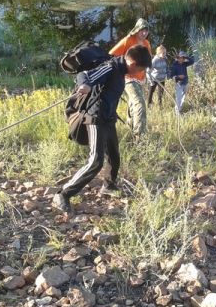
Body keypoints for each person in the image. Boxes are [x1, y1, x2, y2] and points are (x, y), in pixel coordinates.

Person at [53, 45, 152, 216]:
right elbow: (84, 75)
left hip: (108, 119)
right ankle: (63, 194)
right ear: (133, 63)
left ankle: (109, 186)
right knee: (96, 161)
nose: (140, 73)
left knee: (114, 156)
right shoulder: (111, 67)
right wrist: (84, 85)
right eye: (140, 69)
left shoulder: (122, 70)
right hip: (95, 118)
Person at [109, 18, 152, 137]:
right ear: (137, 30)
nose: (144, 33)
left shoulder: (147, 44)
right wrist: (121, 68)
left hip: (141, 78)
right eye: (142, 30)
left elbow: (148, 60)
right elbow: (111, 55)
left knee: (133, 103)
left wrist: (150, 71)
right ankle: (139, 136)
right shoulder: (128, 40)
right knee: (139, 103)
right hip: (128, 78)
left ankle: (130, 128)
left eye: (146, 31)